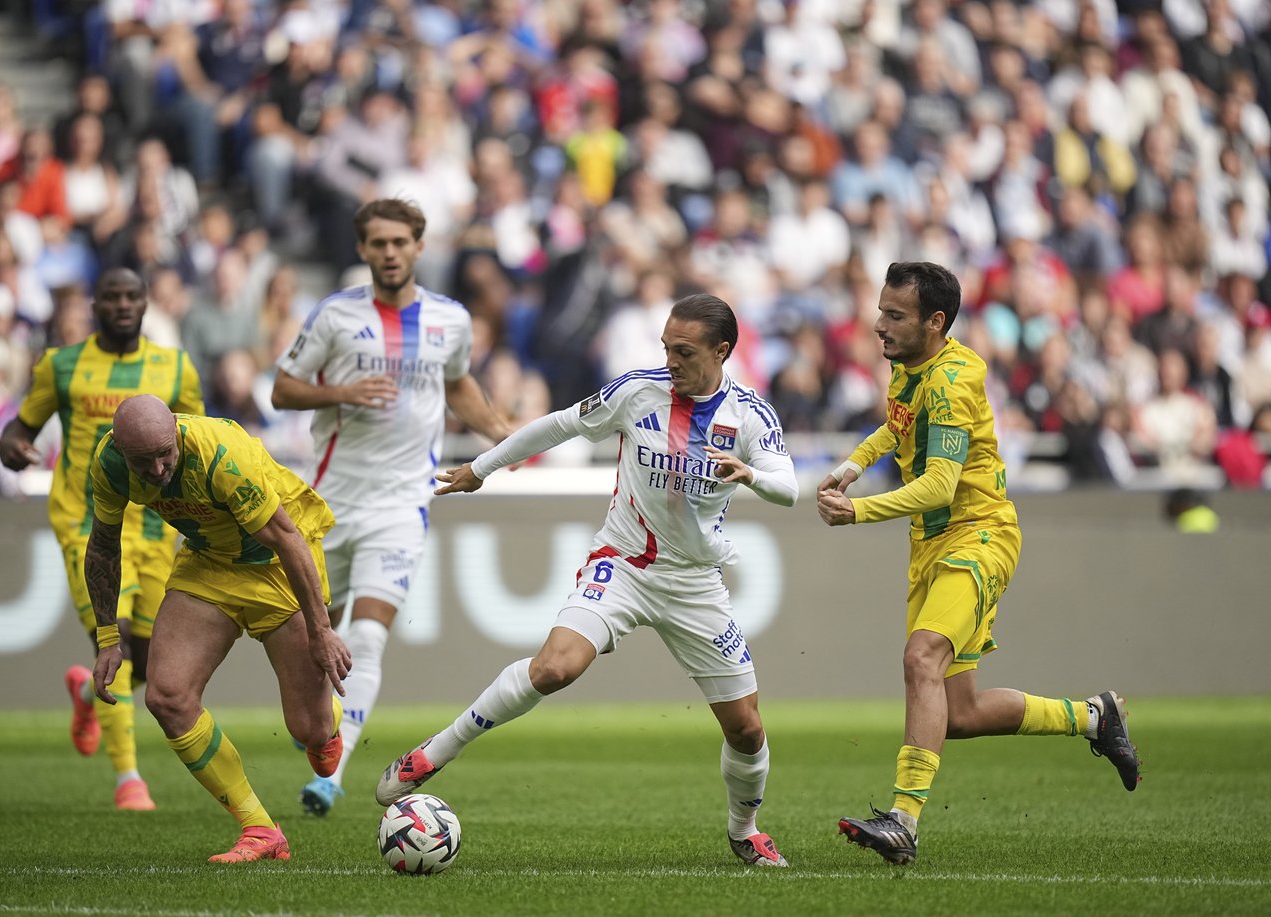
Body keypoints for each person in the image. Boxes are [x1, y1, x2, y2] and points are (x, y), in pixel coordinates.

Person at [375, 292, 799, 868]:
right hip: (622, 562)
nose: (670, 361)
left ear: (722, 351)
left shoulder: (750, 415)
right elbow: (558, 426)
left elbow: (788, 487)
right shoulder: (637, 390)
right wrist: (481, 468)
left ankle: (744, 829)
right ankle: (432, 752)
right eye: (665, 347)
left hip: (695, 583)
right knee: (554, 668)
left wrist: (751, 474)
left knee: (747, 730)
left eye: (685, 351)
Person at [815, 261, 1142, 866]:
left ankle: (903, 822)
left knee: (920, 658)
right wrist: (853, 463)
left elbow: (940, 485)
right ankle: (1097, 717)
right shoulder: (909, 367)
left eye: (895, 315)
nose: (878, 325)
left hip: (978, 535)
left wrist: (856, 511)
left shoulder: (953, 379)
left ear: (935, 322)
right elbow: (897, 425)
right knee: (958, 713)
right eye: (881, 310)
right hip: (932, 544)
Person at [271, 198, 513, 815]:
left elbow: (457, 382)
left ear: (418, 247)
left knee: (369, 639)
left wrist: (502, 436)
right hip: (328, 505)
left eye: (400, 242)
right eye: (378, 243)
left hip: (402, 505)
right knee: (309, 640)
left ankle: (332, 773)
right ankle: (318, 736)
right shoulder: (334, 316)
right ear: (362, 249)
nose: (389, 252)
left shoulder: (449, 321)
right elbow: (282, 389)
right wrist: (340, 391)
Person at [85, 397, 352, 863]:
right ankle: (260, 829)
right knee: (166, 695)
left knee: (309, 729)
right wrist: (108, 637)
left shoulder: (221, 453)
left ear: (176, 433)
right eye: (143, 461)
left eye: (165, 453)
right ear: (121, 451)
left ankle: (324, 730)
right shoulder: (109, 466)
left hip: (275, 564)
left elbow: (287, 538)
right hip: (208, 562)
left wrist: (321, 630)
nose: (158, 468)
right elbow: (104, 545)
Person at [0, 268, 204, 811]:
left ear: (144, 303)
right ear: (95, 304)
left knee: (154, 660)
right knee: (110, 641)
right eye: (110, 296)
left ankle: (89, 696)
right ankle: (128, 779)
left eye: (131, 296)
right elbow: (17, 430)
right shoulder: (61, 366)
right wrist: (13, 448)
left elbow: (196, 443)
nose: (121, 305)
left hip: (158, 524)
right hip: (87, 522)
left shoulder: (175, 366)